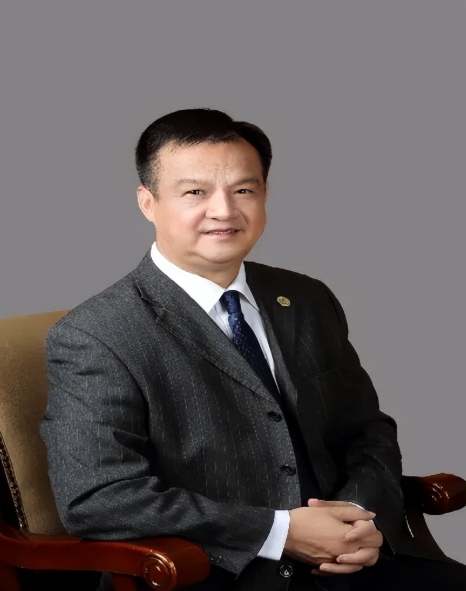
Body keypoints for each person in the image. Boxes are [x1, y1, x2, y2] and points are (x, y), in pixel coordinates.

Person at [41, 109, 466, 590]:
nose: (224, 211)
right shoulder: (96, 334)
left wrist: (356, 517)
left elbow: (367, 431)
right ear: (148, 202)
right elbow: (98, 498)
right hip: (213, 575)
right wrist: (279, 533)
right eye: (195, 192)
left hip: (350, 562)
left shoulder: (306, 298)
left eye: (243, 190)